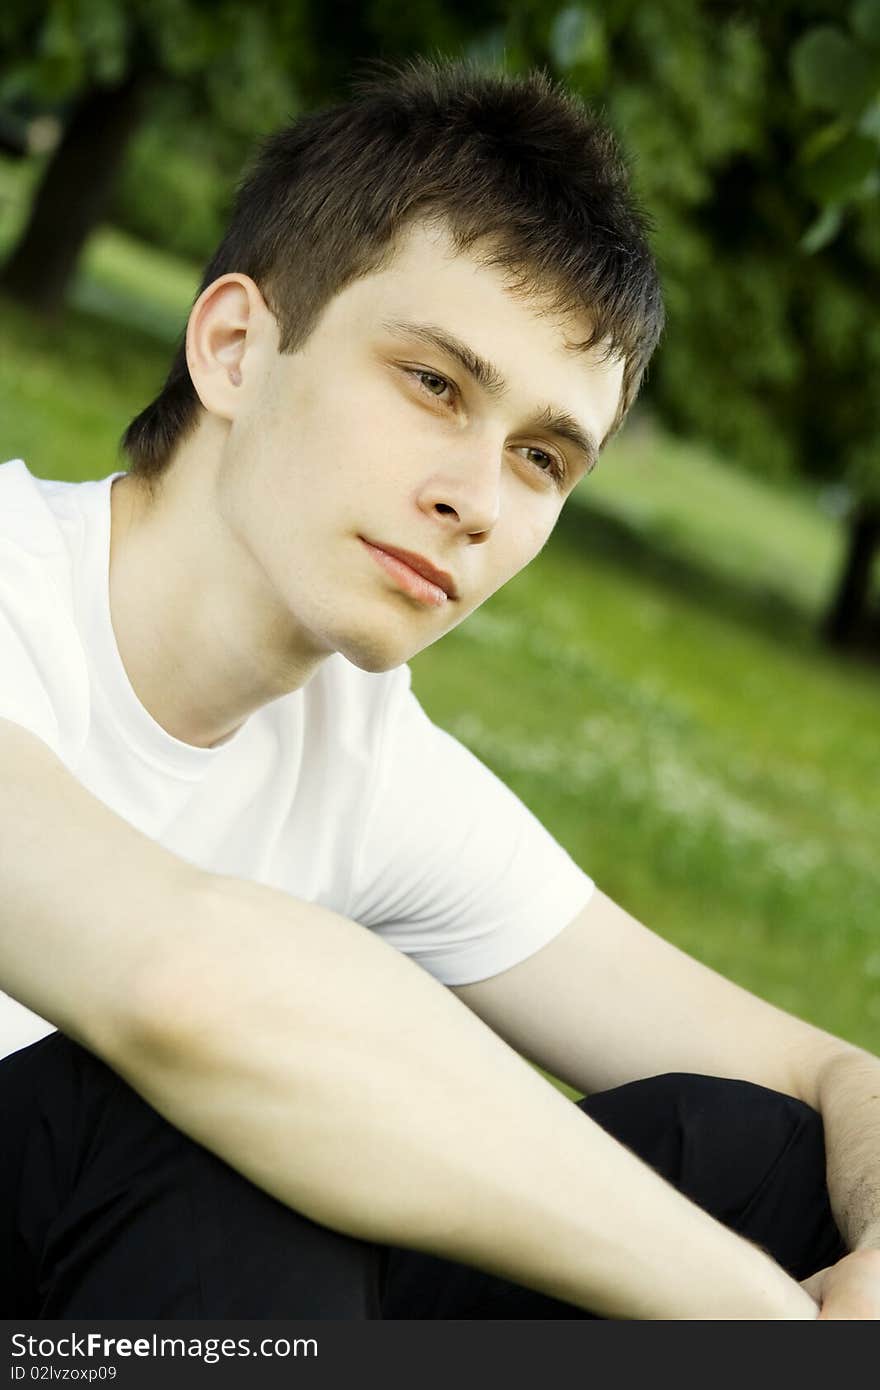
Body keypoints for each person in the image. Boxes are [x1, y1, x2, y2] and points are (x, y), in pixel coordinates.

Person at [1, 59, 878, 1322]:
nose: (475, 497)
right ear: (237, 348)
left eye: (538, 456)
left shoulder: (360, 765)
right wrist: (755, 1315)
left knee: (754, 1156)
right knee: (202, 1126)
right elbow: (192, 988)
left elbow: (824, 1073)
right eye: (433, 384)